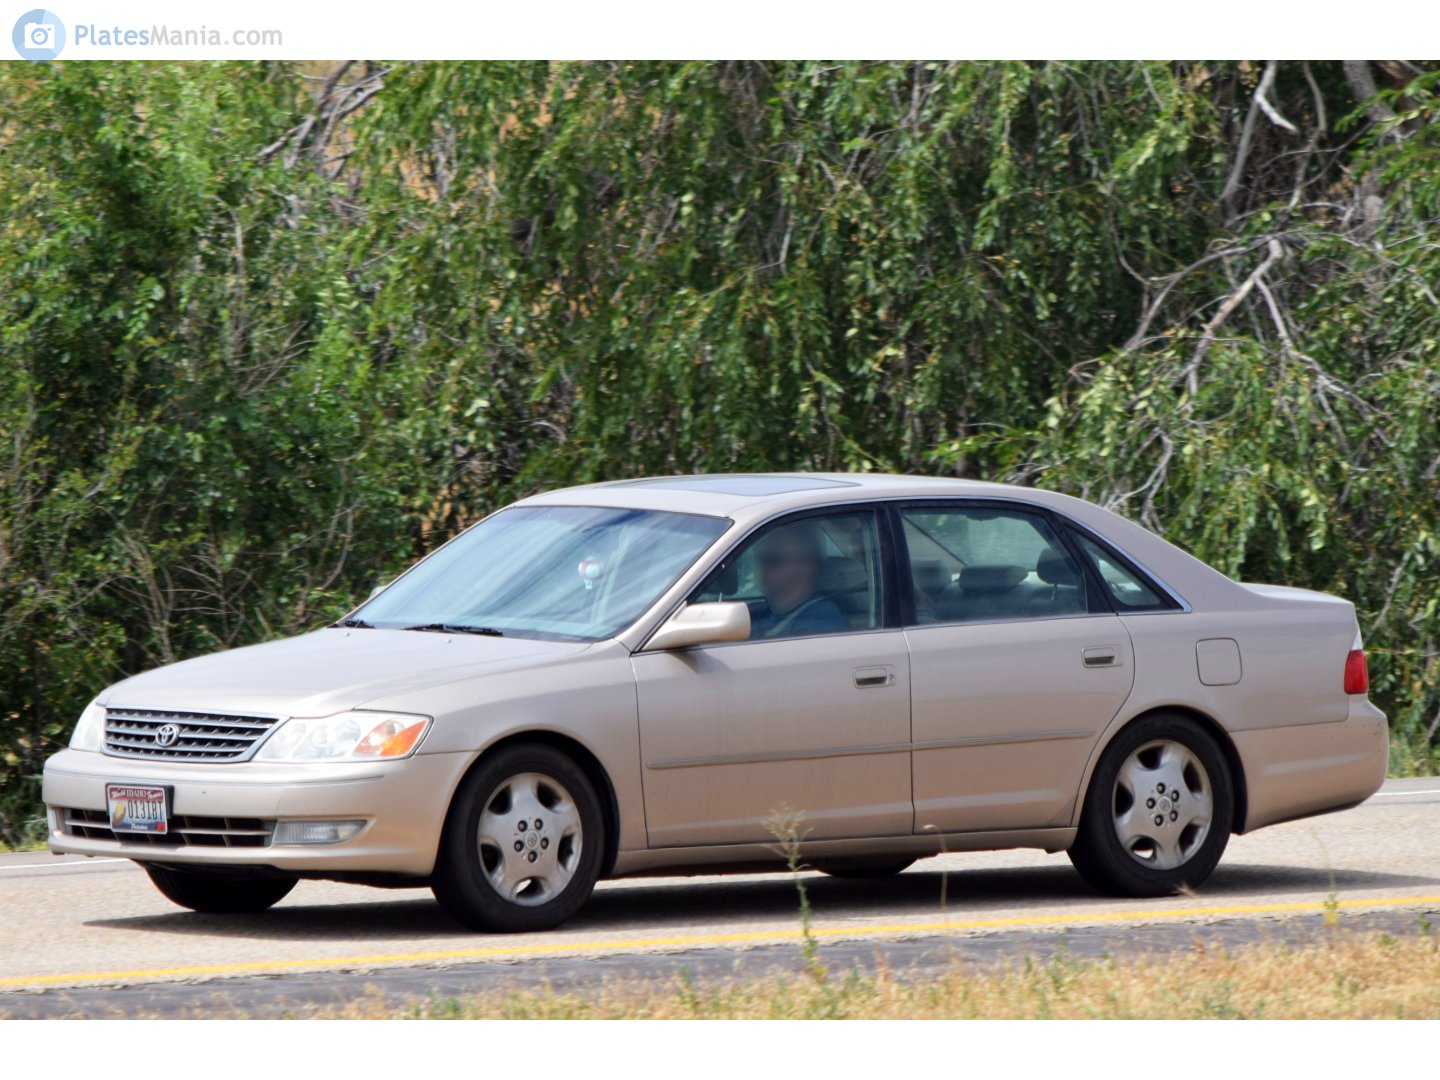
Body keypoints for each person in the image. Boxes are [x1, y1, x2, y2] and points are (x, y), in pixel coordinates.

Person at [748, 523, 846, 639]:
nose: (763, 565)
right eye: (760, 557)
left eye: (774, 559)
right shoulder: (760, 612)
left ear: (807, 567)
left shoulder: (818, 622)